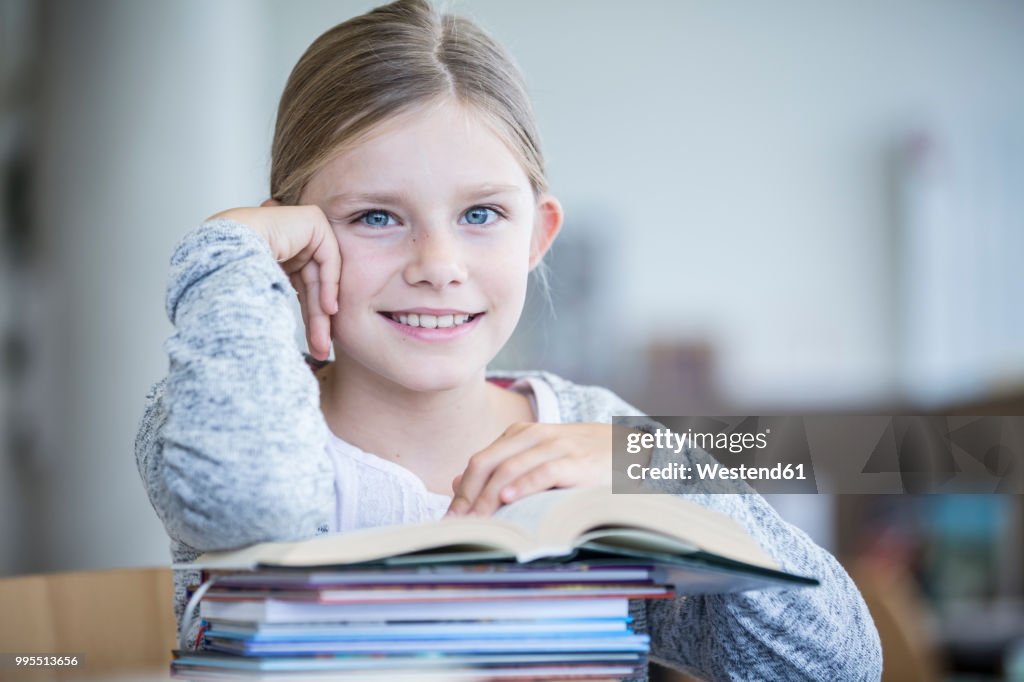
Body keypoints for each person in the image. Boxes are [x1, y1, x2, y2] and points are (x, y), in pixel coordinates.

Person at [135, 1, 882, 679]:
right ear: (293, 239)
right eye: (375, 217)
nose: (437, 267)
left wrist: (661, 467)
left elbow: (834, 667)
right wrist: (228, 253)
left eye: (482, 215)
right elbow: (246, 505)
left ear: (537, 234)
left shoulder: (590, 431)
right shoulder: (219, 410)